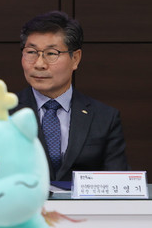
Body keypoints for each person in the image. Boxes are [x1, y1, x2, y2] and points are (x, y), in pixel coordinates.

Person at [12, 10, 128, 181]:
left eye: (51, 53)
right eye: (31, 52)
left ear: (75, 59)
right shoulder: (1, 114)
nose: (39, 64)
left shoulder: (105, 118)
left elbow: (118, 183)